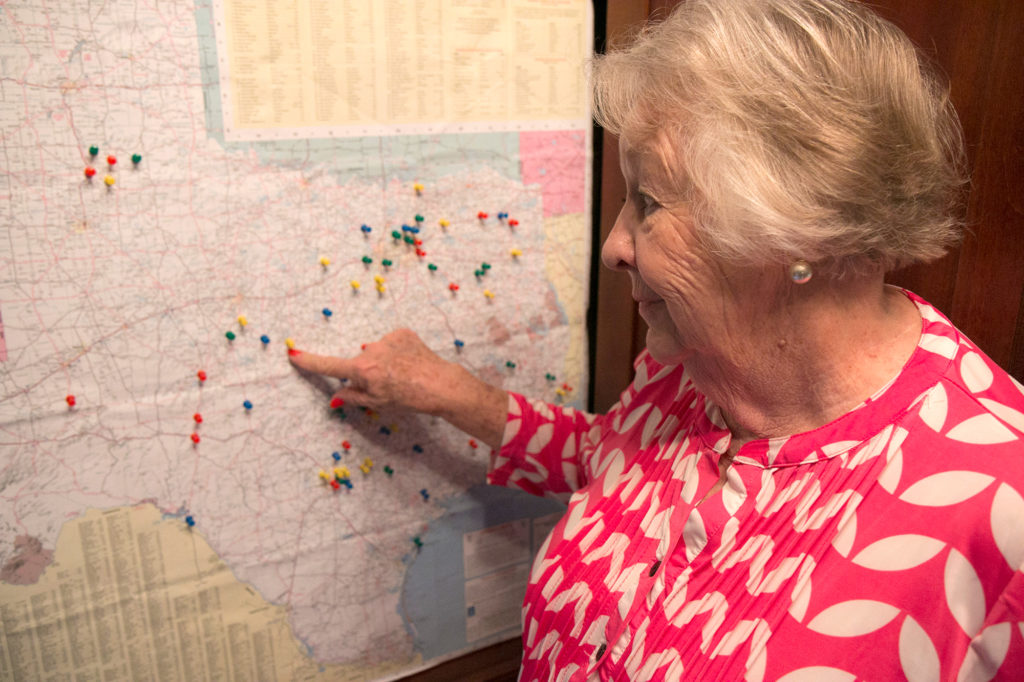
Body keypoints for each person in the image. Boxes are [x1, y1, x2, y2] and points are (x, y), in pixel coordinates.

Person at [290, 0, 1024, 678]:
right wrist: (449, 393)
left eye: (647, 202)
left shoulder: (996, 501)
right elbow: (609, 462)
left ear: (790, 227)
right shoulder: (693, 358)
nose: (614, 246)